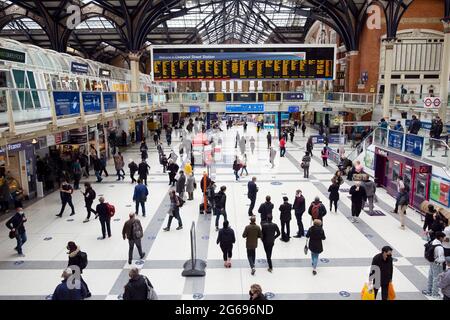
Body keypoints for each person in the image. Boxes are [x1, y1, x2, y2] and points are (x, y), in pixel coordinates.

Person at [424, 232, 446, 298]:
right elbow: (441, 258)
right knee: (437, 278)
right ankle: (435, 293)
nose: (444, 239)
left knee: (431, 276)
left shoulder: (433, 242)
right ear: (440, 237)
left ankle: (429, 291)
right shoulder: (440, 247)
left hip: (431, 262)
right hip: (437, 264)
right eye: (443, 237)